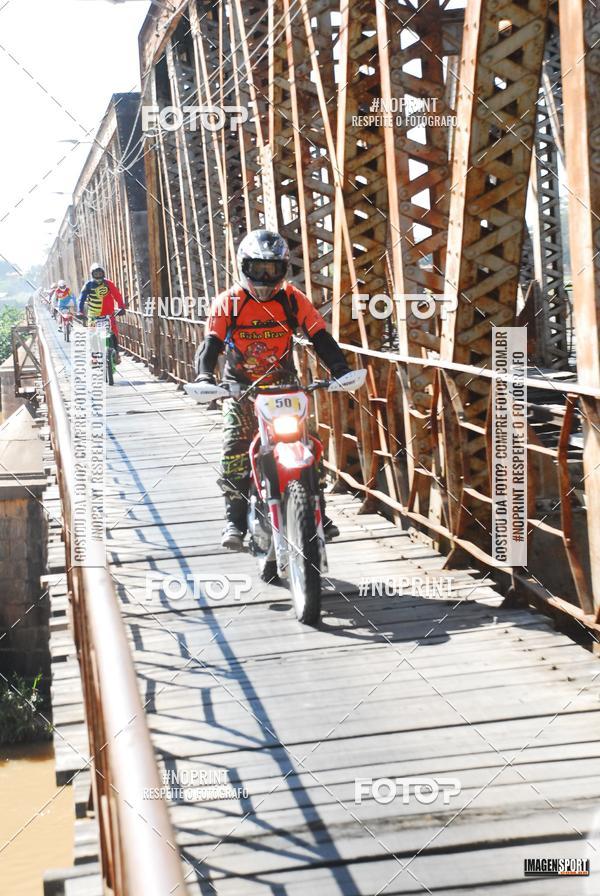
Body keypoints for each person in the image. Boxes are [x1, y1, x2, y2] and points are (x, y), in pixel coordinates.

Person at [195, 229, 351, 551]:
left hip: (283, 385)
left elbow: (319, 335)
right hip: (241, 388)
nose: (266, 278)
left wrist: (340, 369)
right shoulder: (230, 303)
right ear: (243, 267)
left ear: (283, 270)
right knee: (234, 448)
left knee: (310, 442)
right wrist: (204, 378)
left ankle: (316, 507)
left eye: (273, 269)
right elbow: (210, 343)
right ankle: (234, 520)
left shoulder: (292, 299)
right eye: (258, 269)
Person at [78, 263, 126, 363]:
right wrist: (80, 311)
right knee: (92, 334)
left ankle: (116, 353)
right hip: (94, 315)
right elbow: (81, 299)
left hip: (109, 314)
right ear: (92, 274)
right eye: (96, 274)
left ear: (103, 273)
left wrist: (122, 307)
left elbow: (117, 295)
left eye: (100, 273)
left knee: (114, 333)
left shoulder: (109, 283)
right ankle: (95, 357)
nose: (98, 275)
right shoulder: (88, 285)